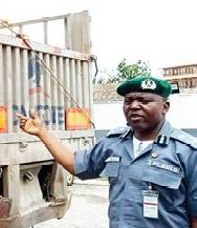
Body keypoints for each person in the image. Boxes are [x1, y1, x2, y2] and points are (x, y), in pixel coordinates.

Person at [17, 76, 197, 227]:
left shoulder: (187, 152)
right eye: (128, 101)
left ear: (165, 107)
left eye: (144, 101)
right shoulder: (114, 143)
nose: (133, 106)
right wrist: (42, 132)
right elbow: (75, 164)